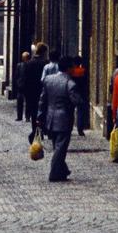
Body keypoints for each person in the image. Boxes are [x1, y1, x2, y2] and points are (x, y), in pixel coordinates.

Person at [36, 54, 79, 182]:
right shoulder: (70, 83)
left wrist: (39, 116)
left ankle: (63, 170)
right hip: (64, 119)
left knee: (57, 146)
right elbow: (76, 101)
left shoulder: (48, 80)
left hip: (50, 118)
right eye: (73, 67)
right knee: (60, 148)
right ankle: (54, 173)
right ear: (69, 68)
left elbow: (42, 100)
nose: (74, 69)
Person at [22, 44, 46, 143]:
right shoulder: (45, 63)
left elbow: (24, 80)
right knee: (42, 112)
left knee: (34, 114)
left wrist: (26, 94)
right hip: (42, 92)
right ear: (44, 52)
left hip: (31, 93)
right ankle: (39, 132)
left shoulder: (28, 63)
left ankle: (35, 131)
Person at [13, 50, 32, 122]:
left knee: (28, 102)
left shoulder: (30, 65)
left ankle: (27, 117)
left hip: (28, 86)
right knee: (20, 101)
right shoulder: (19, 65)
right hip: (21, 86)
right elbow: (16, 75)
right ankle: (20, 116)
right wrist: (17, 83)